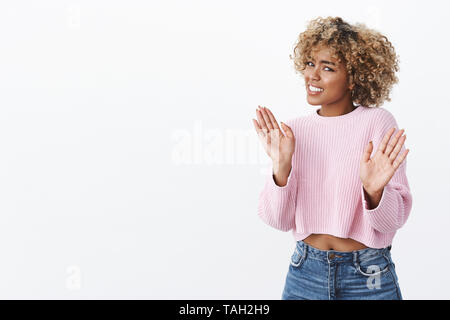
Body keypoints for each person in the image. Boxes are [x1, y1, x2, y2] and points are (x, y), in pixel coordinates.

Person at [252, 16, 412, 300]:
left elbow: (391, 221)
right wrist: (282, 168)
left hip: (367, 275)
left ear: (353, 78)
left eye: (327, 68)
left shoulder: (378, 122)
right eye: (310, 64)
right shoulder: (293, 131)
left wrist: (374, 192)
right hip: (305, 273)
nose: (313, 75)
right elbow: (277, 220)